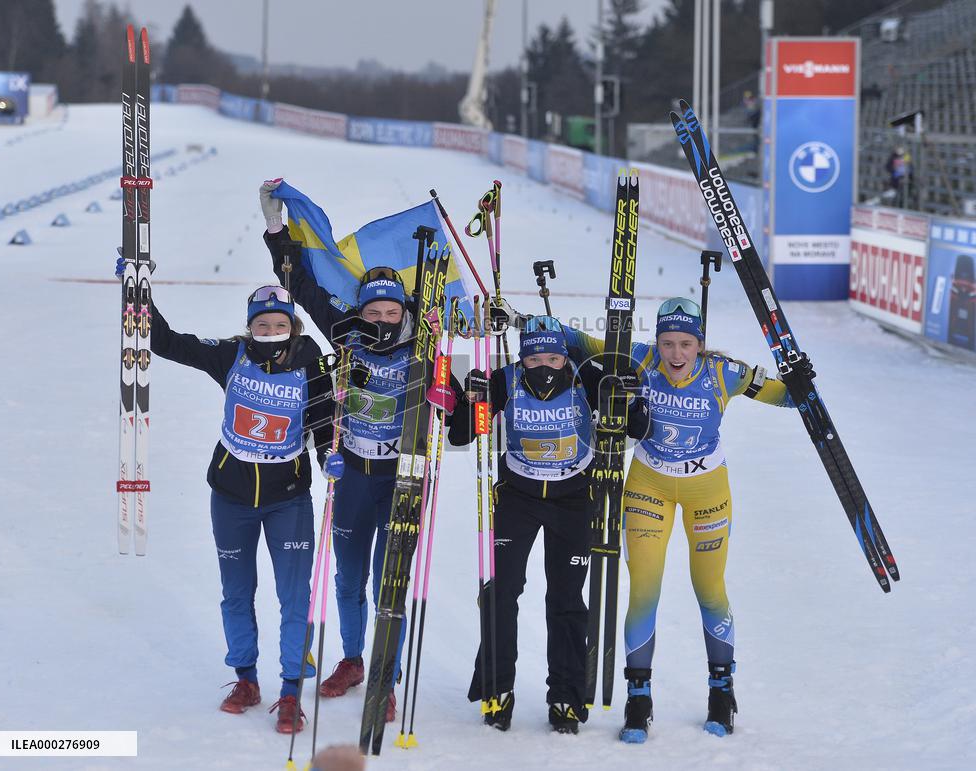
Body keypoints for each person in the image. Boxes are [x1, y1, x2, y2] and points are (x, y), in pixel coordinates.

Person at [258, 179, 464, 722]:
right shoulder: (344, 333)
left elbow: (461, 417)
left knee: (386, 580)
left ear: (403, 314)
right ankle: (352, 659)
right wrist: (278, 230)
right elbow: (299, 283)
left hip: (402, 478)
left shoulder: (426, 346)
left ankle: (385, 677)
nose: (379, 320)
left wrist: (447, 375)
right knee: (347, 577)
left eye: (389, 313)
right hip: (350, 473)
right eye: (372, 312)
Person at [559, 298, 807, 741]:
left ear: (700, 345)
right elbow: (583, 344)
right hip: (647, 486)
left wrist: (800, 384)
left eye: (686, 344)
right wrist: (528, 322)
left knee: (709, 589)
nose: (675, 354)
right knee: (643, 592)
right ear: (657, 342)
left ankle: (722, 692)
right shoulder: (640, 359)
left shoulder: (724, 373)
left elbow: (788, 398)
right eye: (668, 343)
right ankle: (639, 699)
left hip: (706, 490)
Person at [128, 264, 339, 734]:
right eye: (261, 324)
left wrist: (330, 460)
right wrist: (137, 292)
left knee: (294, 597)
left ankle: (289, 692)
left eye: (278, 324)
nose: (269, 332)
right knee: (237, 592)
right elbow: (165, 342)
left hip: (288, 500)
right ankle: (245, 679)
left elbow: (325, 424)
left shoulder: (315, 365)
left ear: (293, 326)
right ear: (250, 326)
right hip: (231, 496)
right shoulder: (232, 354)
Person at [448, 316, 647, 735]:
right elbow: (464, 434)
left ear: (565, 355)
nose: (544, 365)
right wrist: (472, 400)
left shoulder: (586, 376)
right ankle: (497, 689)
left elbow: (634, 428)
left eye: (553, 356)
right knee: (500, 592)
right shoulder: (504, 379)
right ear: (522, 357)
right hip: (517, 497)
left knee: (567, 599)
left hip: (574, 499)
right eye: (535, 357)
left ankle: (566, 696)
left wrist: (631, 398)